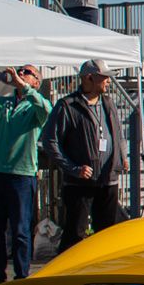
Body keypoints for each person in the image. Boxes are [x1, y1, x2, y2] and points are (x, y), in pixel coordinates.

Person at [0, 64, 53, 285]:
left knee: (20, 230)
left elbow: (47, 109)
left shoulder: (35, 105)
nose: (21, 74)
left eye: (27, 72)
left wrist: (24, 88)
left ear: (36, 82)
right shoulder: (5, 102)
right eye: (20, 71)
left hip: (21, 175)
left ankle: (21, 279)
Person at [40, 59, 126, 252]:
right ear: (89, 78)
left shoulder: (108, 103)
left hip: (107, 180)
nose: (108, 82)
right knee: (75, 234)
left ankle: (106, 272)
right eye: (104, 78)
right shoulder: (67, 106)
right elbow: (50, 142)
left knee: (108, 233)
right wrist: (72, 168)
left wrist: (122, 157)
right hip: (79, 183)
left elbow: (118, 133)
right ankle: (70, 275)